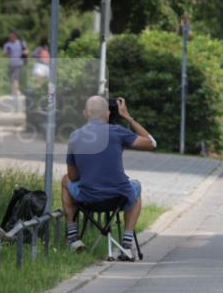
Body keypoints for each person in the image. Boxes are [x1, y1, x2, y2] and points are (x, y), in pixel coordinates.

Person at [62, 96, 157, 260]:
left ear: (85, 114)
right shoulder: (118, 131)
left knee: (65, 180)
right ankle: (126, 243)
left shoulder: (75, 136)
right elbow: (151, 143)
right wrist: (128, 117)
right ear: (107, 113)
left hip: (88, 198)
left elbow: (73, 176)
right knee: (136, 185)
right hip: (118, 198)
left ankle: (73, 237)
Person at [2, 31, 28, 98]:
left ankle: (15, 91)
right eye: (10, 36)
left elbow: (27, 51)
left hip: (19, 63)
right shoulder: (7, 44)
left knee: (15, 77)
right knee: (12, 78)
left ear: (15, 36)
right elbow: (5, 55)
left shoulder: (21, 42)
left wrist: (25, 54)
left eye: (12, 36)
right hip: (11, 64)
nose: (11, 37)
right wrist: (7, 52)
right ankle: (15, 91)